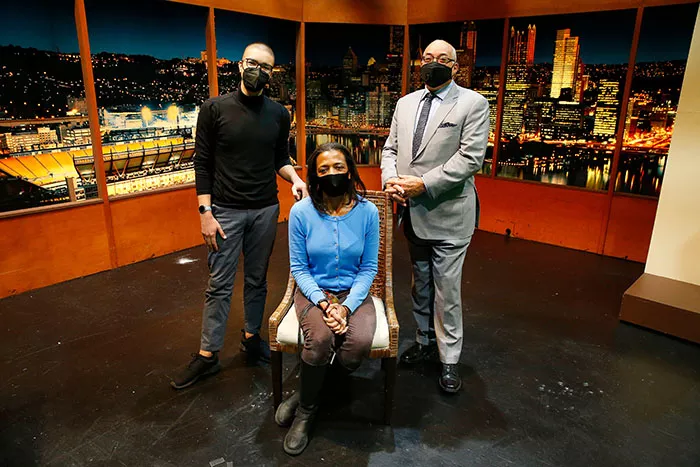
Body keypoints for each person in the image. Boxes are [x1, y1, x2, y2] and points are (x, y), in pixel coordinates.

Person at [171, 43, 308, 389]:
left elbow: (280, 158)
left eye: (266, 67)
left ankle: (251, 337)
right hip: (225, 212)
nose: (258, 71)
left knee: (257, 280)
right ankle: (208, 355)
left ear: (272, 74)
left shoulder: (279, 114)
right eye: (252, 63)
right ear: (240, 65)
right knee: (219, 284)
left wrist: (295, 179)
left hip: (265, 210)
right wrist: (205, 212)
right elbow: (202, 164)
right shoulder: (214, 109)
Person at [380, 39, 489, 394]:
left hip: (449, 215)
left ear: (455, 67)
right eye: (428, 58)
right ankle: (424, 341)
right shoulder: (405, 103)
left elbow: (470, 158)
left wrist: (423, 184)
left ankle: (449, 359)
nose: (433, 63)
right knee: (420, 284)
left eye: (443, 58)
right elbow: (391, 149)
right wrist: (391, 181)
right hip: (411, 213)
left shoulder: (473, 103)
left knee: (447, 291)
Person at [275, 142, 380, 455]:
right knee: (320, 340)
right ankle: (306, 412)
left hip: (353, 293)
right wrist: (323, 303)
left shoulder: (368, 212)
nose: (331, 173)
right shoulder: (301, 212)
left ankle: (305, 393)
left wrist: (345, 308)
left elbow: (368, 268)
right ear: (314, 176)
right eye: (323, 169)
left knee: (358, 344)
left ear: (349, 171)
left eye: (338, 167)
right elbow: (299, 268)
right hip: (314, 291)